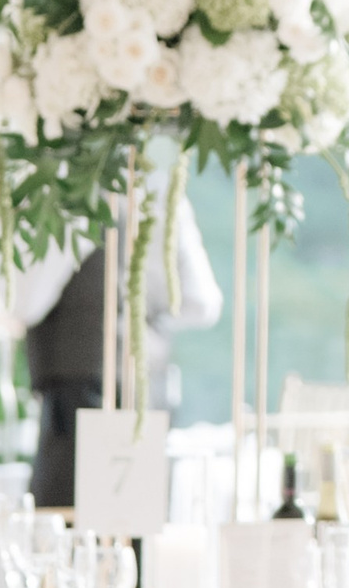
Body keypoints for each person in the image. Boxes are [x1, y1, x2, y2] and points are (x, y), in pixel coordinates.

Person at [16, 195, 221, 510]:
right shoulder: (166, 199)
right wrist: (147, 323)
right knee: (135, 519)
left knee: (71, 521)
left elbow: (24, 303)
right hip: (147, 393)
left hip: (76, 401)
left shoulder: (67, 199)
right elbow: (202, 303)